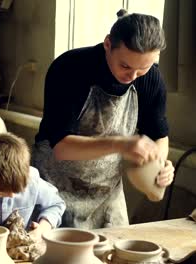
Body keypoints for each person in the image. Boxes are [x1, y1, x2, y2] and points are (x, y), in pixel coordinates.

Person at [31, 9, 175, 229]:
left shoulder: (151, 79)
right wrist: (121, 143)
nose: (132, 77)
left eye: (142, 68)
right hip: (54, 186)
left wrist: (159, 165)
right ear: (108, 44)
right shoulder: (70, 68)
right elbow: (61, 148)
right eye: (125, 66)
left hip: (106, 192)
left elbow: (159, 136)